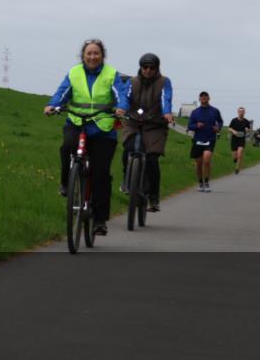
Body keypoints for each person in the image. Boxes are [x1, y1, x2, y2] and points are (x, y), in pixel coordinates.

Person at [44, 38, 126, 236]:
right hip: (77, 122)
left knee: (101, 173)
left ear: (102, 56)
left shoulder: (111, 74)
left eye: (96, 53)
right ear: (83, 56)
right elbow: (62, 93)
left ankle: (99, 220)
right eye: (88, 53)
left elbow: (121, 94)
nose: (92, 56)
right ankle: (66, 183)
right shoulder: (74, 73)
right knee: (66, 147)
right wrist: (52, 105)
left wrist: (122, 107)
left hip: (102, 128)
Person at [117, 53, 174, 212]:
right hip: (133, 122)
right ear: (140, 68)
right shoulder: (132, 82)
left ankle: (153, 197)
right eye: (145, 67)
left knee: (151, 159)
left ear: (157, 69)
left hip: (155, 125)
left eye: (152, 68)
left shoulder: (164, 82)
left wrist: (167, 112)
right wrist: (122, 108)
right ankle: (126, 180)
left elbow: (165, 98)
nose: (148, 70)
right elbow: (125, 97)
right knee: (128, 148)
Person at [187, 91, 222, 192]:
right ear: (199, 99)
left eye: (205, 96)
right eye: (201, 97)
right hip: (198, 139)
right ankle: (200, 182)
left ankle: (206, 182)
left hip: (210, 139)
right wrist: (196, 126)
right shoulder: (195, 112)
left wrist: (218, 127)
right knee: (198, 163)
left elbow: (220, 121)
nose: (203, 98)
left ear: (209, 98)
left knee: (206, 160)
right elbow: (190, 125)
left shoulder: (215, 111)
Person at [228, 107, 252, 174]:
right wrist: (233, 131)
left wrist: (248, 130)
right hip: (234, 140)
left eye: (242, 112)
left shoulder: (246, 121)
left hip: (241, 140)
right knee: (234, 156)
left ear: (244, 113)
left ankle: (237, 168)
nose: (241, 113)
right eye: (240, 112)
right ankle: (235, 159)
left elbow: (249, 130)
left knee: (240, 154)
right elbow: (229, 128)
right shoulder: (234, 120)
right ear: (238, 112)